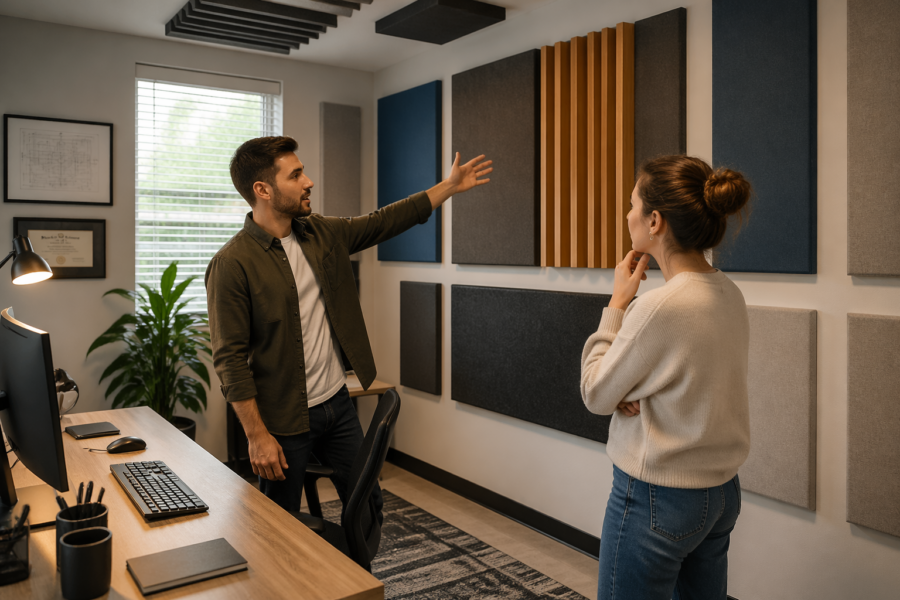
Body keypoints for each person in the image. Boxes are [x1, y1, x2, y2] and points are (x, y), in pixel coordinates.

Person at [206, 136, 491, 522]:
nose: (308, 182)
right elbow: (230, 360)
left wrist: (449, 187)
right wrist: (257, 436)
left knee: (367, 505)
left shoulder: (321, 233)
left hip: (337, 406)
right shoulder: (232, 264)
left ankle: (357, 577)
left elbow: (383, 222)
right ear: (263, 190)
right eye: (296, 175)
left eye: (303, 171)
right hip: (283, 420)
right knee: (279, 524)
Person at [581, 155, 752, 600]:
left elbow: (596, 393)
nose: (627, 213)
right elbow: (687, 380)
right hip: (719, 496)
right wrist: (626, 387)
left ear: (654, 221)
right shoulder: (729, 293)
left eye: (633, 204)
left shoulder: (659, 306)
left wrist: (618, 303)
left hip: (657, 497)